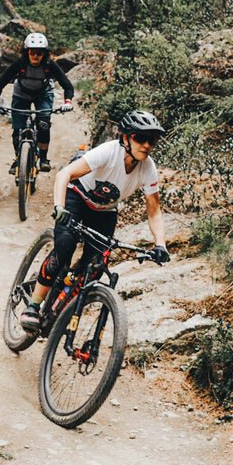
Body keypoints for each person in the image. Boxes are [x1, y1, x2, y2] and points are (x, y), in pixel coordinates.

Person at [19, 110, 169, 332]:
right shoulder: (108, 152)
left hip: (105, 211)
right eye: (140, 138)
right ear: (125, 137)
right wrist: (59, 207)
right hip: (77, 198)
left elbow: (154, 212)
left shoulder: (148, 168)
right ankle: (33, 305)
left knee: (96, 267)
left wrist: (160, 244)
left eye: (152, 140)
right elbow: (64, 175)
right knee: (65, 246)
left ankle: (59, 311)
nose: (147, 145)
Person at [0, 33, 76, 175]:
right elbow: (1, 82)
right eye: (32, 52)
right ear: (27, 52)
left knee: (43, 124)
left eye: (39, 53)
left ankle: (44, 159)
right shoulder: (20, 63)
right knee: (18, 129)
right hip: (21, 95)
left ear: (44, 54)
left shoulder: (49, 65)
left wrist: (67, 102)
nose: (35, 56)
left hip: (44, 95)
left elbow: (67, 86)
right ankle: (18, 158)